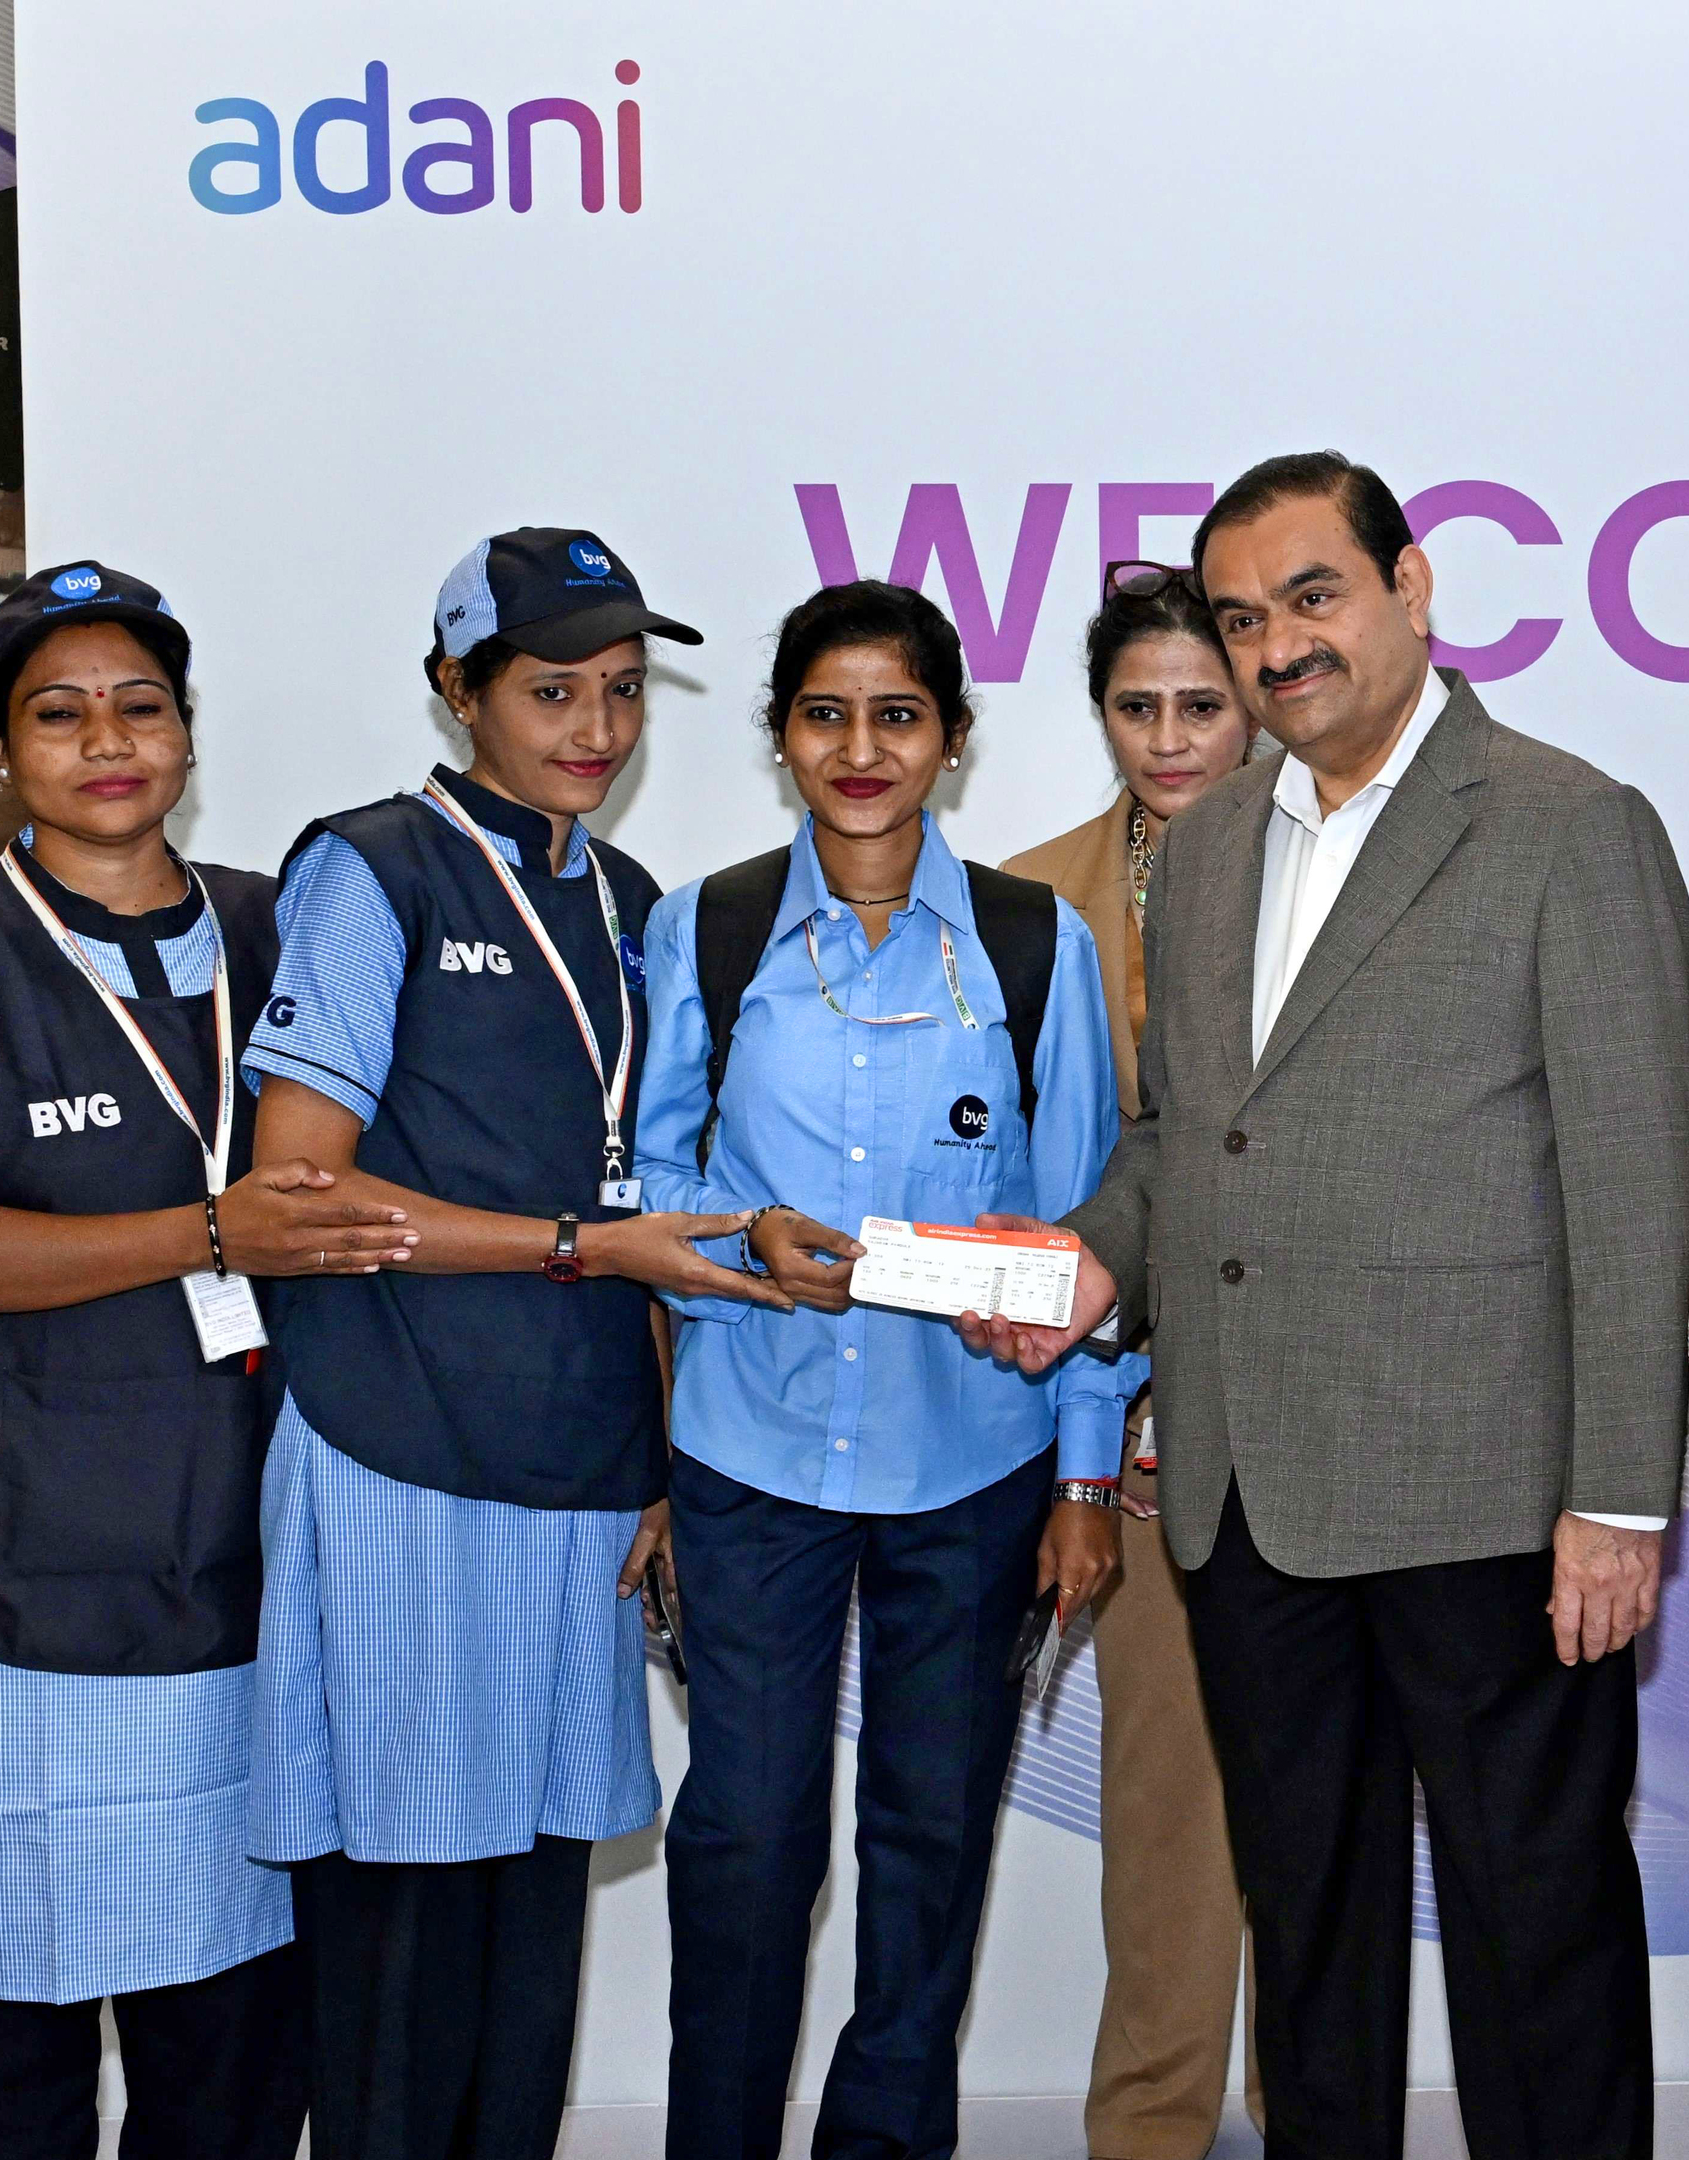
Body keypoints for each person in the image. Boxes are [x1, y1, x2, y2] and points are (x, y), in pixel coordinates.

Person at [969, 450, 1689, 2159]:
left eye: (1310, 597)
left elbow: (1634, 1182)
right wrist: (1089, 1262)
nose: (1276, 647)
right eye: (1240, 619)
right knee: (1308, 1941)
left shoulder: (1564, 823)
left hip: (1490, 1503)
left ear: (1411, 584)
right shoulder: (1212, 842)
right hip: (1243, 1495)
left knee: (1536, 1941)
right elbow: (1180, 1137)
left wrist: (1612, 1500)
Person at [0, 564, 415, 2158]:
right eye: (60, 712)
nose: (108, 740)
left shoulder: (276, 925)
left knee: (228, 2050)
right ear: (6, 750)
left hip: (245, 1568)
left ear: (186, 734)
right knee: (16, 2041)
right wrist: (201, 1236)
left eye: (140, 706)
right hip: (10, 1574)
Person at [243, 528, 776, 2160]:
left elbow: (644, 1200)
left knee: (533, 1913)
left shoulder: (625, 904)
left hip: (580, 1469)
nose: (595, 729)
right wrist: (571, 1248)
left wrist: (666, 1451)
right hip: (399, 1438)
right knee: (409, 1910)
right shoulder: (371, 865)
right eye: (550, 691)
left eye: (622, 692)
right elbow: (293, 1184)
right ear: (453, 691)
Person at [630, 579, 1137, 2160]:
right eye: (826, 715)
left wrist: (1082, 1474)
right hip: (751, 1456)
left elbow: (1079, 1234)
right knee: (741, 1843)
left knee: (926, 1848)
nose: (862, 748)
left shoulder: (1027, 942)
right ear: (782, 739)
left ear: (953, 743)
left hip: (969, 1469)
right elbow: (650, 1195)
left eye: (898, 716)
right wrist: (739, 1237)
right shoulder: (703, 927)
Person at [998, 559, 1265, 2160]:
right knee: (1166, 1827)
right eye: (1135, 707)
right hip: (1111, 1423)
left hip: (1326, 1419)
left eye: (1199, 705)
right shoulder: (1024, 904)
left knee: (1320, 1829)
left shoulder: (1339, 883)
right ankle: (1149, 2137)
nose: (1168, 739)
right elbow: (1020, 1198)